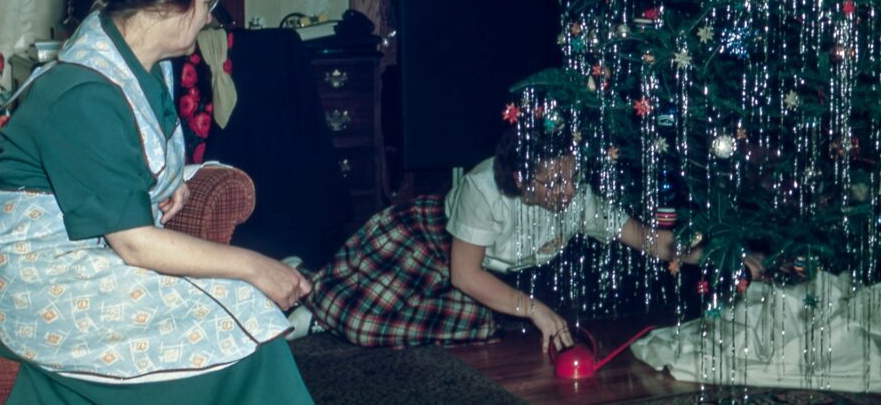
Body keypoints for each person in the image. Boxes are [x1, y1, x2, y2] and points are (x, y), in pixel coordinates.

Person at [0, 0, 314, 404]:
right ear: (168, 3)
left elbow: (134, 151)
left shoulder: (144, 61)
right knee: (239, 319)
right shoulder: (83, 91)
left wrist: (170, 181)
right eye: (208, 1)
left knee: (237, 321)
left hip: (82, 259)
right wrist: (256, 267)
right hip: (28, 280)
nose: (211, 17)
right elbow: (137, 245)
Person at [297, 125, 727, 353]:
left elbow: (652, 240)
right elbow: (464, 273)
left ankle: (327, 304)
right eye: (555, 181)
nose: (570, 191)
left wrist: (721, 256)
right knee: (361, 320)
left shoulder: (579, 200)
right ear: (522, 178)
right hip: (430, 238)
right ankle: (311, 293)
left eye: (573, 176)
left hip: (486, 272)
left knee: (480, 324)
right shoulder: (484, 188)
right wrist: (534, 309)